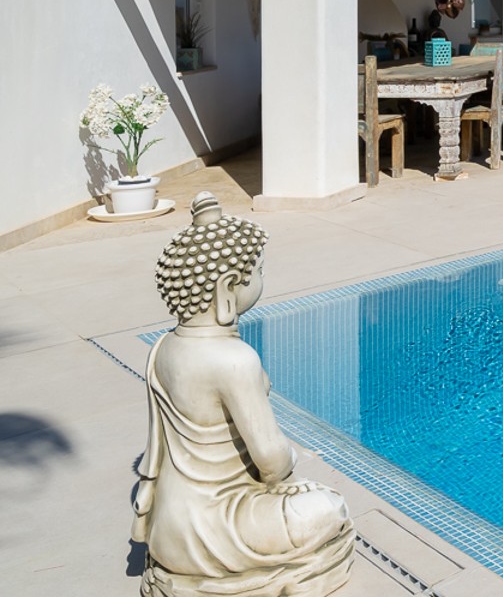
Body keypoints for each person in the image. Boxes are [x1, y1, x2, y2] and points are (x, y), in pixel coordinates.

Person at [132, 193, 354, 596]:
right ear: (228, 289)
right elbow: (271, 460)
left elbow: (157, 452)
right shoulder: (234, 360)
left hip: (168, 530)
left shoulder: (162, 348)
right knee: (328, 506)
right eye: (258, 271)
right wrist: (290, 473)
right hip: (217, 531)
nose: (262, 279)